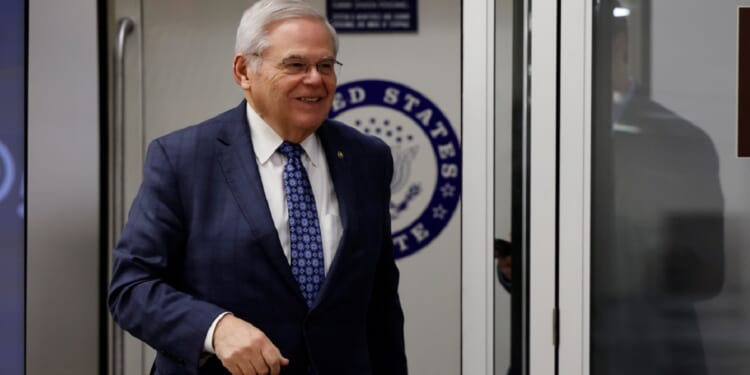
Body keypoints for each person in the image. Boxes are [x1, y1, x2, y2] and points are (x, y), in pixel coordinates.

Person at [107, 1, 407, 374]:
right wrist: (215, 329)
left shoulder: (367, 158)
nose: (315, 79)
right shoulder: (182, 159)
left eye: (326, 66)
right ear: (244, 71)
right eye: (295, 65)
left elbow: (380, 304)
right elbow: (132, 288)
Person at [591, 3, 724, 374]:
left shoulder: (681, 141)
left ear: (619, 47)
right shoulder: (549, 140)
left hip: (649, 356)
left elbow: (707, 274)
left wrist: (629, 245)